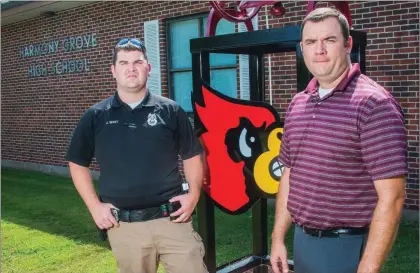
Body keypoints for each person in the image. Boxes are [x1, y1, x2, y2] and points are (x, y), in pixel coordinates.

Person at [270, 8, 407, 273]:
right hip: (303, 241)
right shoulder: (298, 103)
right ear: (302, 48)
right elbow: (289, 173)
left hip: (348, 246)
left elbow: (393, 197)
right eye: (311, 42)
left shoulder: (373, 104)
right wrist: (278, 238)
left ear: (347, 44)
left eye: (329, 40)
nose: (319, 50)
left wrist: (367, 268)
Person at [66, 38, 207, 273]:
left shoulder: (171, 110)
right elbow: (77, 162)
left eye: (137, 62)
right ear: (113, 70)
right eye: (123, 63)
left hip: (173, 220)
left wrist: (193, 194)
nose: (131, 68)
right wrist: (94, 207)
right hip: (125, 226)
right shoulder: (95, 116)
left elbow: (192, 155)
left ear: (148, 68)